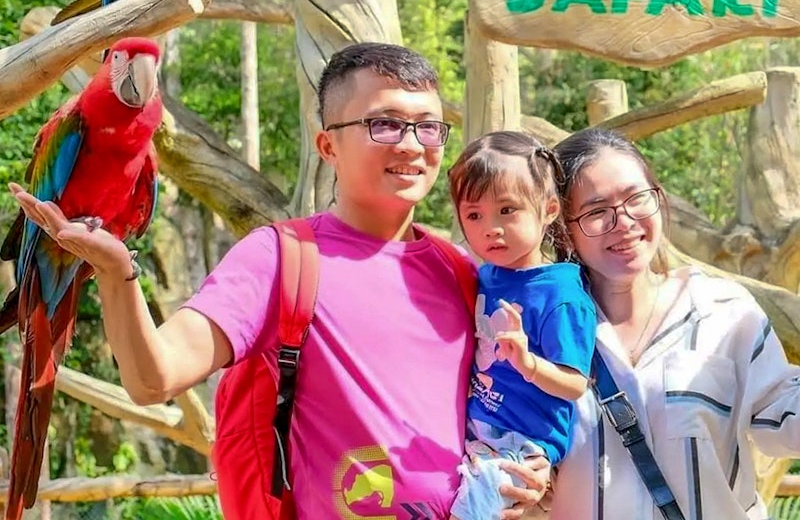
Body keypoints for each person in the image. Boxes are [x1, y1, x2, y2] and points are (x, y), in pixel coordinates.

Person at [7, 43, 549, 519]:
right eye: (383, 124)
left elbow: (514, 406)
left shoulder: (464, 271)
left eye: (428, 126)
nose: (411, 144)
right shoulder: (278, 258)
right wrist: (115, 270)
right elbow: (154, 379)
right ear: (328, 146)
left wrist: (531, 471)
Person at [547, 128, 800, 520]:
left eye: (636, 197)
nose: (624, 221)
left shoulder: (722, 310)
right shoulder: (534, 333)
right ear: (563, 231)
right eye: (596, 211)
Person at [445, 131, 597, 520]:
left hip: (517, 445)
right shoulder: (489, 274)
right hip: (477, 432)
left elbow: (574, 384)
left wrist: (528, 363)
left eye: (507, 210)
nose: (490, 228)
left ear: (548, 209)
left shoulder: (560, 295)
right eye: (474, 215)